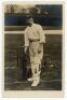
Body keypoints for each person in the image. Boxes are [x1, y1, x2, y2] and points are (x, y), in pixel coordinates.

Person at [24, 15, 46, 87]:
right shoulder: (26, 29)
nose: (28, 21)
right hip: (31, 46)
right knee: (32, 61)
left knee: (36, 62)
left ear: (32, 19)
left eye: (29, 19)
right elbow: (26, 41)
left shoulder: (38, 26)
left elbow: (42, 37)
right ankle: (34, 77)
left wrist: (40, 46)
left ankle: (37, 80)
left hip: (38, 44)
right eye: (27, 19)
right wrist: (25, 48)